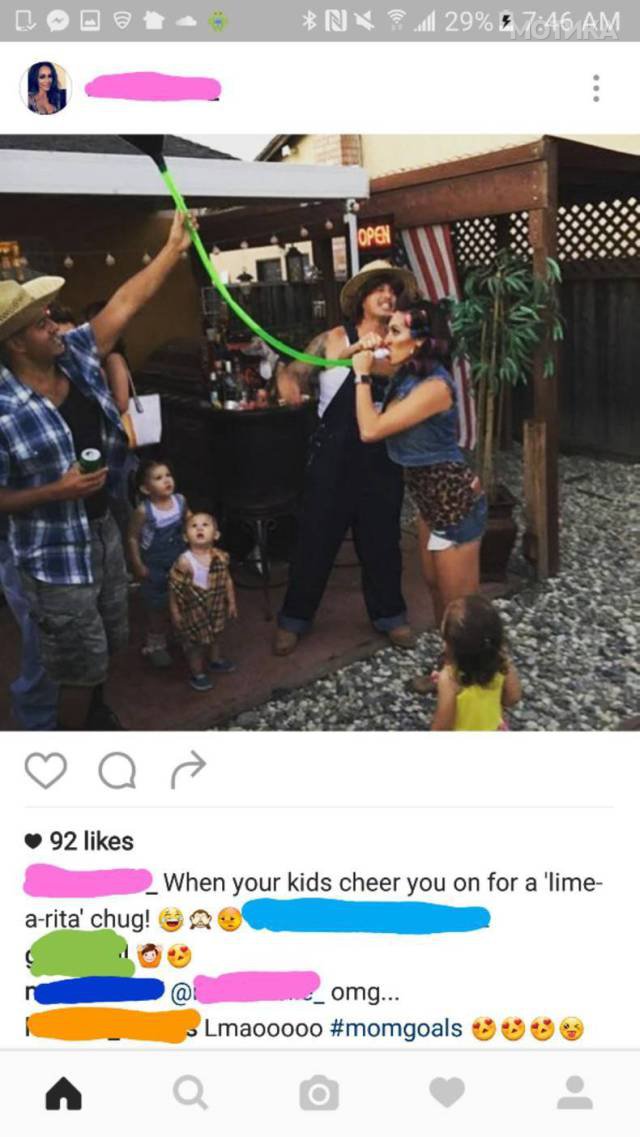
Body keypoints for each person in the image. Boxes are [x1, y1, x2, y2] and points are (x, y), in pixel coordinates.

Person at [0, 210, 196, 729]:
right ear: (16, 344)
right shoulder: (4, 408)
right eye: (40, 323)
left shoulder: (75, 356)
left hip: (102, 530)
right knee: (75, 663)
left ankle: (93, 711)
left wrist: (172, 249)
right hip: (51, 553)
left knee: (107, 638)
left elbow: (125, 302)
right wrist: (55, 490)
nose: (54, 324)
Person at [274, 260, 419, 657]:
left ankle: (390, 615)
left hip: (382, 458)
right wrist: (287, 385)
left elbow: (393, 371)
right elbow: (292, 371)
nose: (387, 295)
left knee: (383, 541)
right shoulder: (332, 339)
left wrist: (369, 356)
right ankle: (294, 619)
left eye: (392, 290)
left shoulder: (401, 343)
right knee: (315, 540)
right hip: (332, 460)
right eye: (379, 289)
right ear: (361, 298)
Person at [353, 299, 487, 690]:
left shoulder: (435, 387)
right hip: (429, 504)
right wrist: (363, 346)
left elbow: (370, 430)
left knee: (462, 608)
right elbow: (345, 359)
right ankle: (450, 667)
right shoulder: (406, 372)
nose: (386, 337)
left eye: (395, 331)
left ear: (419, 343)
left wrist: (362, 378)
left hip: (454, 506)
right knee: (435, 589)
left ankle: (476, 686)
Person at [128, 459, 188, 667]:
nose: (166, 480)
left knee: (182, 597)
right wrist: (137, 564)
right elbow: (133, 537)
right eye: (158, 478)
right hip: (155, 565)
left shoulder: (180, 501)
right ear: (145, 488)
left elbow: (188, 521)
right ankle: (156, 643)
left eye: (168, 475)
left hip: (178, 559)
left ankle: (180, 633)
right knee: (157, 605)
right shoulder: (144, 511)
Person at [430, 594, 521, 731]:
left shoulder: (449, 679)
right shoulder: (500, 662)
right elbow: (513, 697)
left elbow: (443, 726)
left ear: (450, 645)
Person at [168, 512, 237, 692]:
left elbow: (227, 580)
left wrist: (231, 602)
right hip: (194, 609)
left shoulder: (221, 557)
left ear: (216, 534)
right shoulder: (184, 562)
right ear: (185, 537)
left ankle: (215, 660)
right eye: (194, 526)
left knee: (217, 635)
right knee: (194, 644)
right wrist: (175, 611)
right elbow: (174, 589)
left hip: (216, 605)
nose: (199, 528)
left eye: (205, 525)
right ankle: (197, 673)